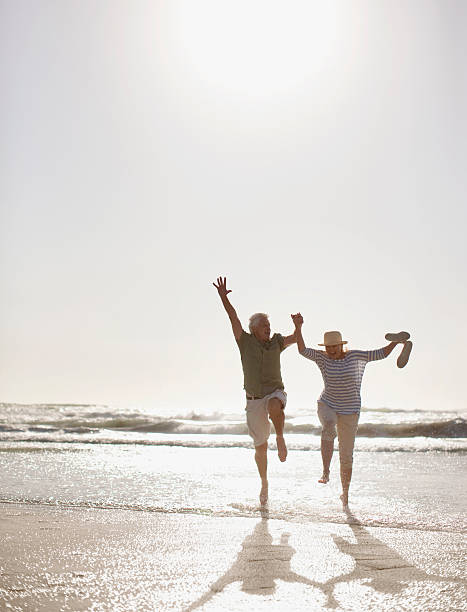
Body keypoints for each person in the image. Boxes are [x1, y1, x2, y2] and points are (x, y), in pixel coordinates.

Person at [291, 313, 412, 507]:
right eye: (328, 347)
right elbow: (303, 350)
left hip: (350, 410)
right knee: (328, 426)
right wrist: (298, 327)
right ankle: (325, 472)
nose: (331, 350)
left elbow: (380, 353)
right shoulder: (322, 358)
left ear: (341, 345)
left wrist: (396, 344)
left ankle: (345, 494)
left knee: (346, 455)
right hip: (327, 403)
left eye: (334, 346)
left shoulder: (356, 356)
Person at [213, 276, 297, 505]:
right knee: (260, 448)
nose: (269, 329)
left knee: (274, 406)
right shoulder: (245, 341)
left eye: (269, 326)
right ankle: (264, 483)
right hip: (253, 399)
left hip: (274, 393)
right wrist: (223, 298)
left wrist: (298, 327)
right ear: (254, 330)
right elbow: (233, 317)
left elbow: (296, 339)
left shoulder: (277, 343)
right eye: (264, 327)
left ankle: (280, 437)